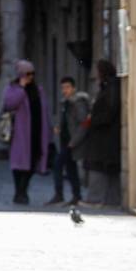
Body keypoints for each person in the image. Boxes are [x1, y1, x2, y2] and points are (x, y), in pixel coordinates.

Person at [2, 60, 51, 205]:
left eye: (32, 74)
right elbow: (10, 104)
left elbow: (44, 110)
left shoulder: (38, 89)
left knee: (32, 162)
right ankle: (19, 192)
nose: (30, 77)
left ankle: (23, 191)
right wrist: (21, 89)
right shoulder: (13, 88)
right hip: (20, 133)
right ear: (21, 74)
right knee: (19, 164)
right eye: (27, 74)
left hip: (36, 131)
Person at [47, 76, 90, 206]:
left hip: (72, 142)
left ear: (73, 88)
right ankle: (76, 196)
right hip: (64, 141)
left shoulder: (77, 103)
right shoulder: (64, 103)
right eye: (63, 88)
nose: (64, 90)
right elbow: (64, 120)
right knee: (71, 169)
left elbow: (84, 123)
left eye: (67, 87)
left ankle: (59, 194)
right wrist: (58, 127)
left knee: (57, 165)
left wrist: (74, 141)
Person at [84, 59, 121, 206]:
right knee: (107, 167)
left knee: (103, 166)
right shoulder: (107, 86)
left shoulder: (111, 87)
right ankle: (109, 200)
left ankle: (98, 198)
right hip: (103, 135)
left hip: (107, 135)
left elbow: (110, 110)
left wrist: (95, 120)